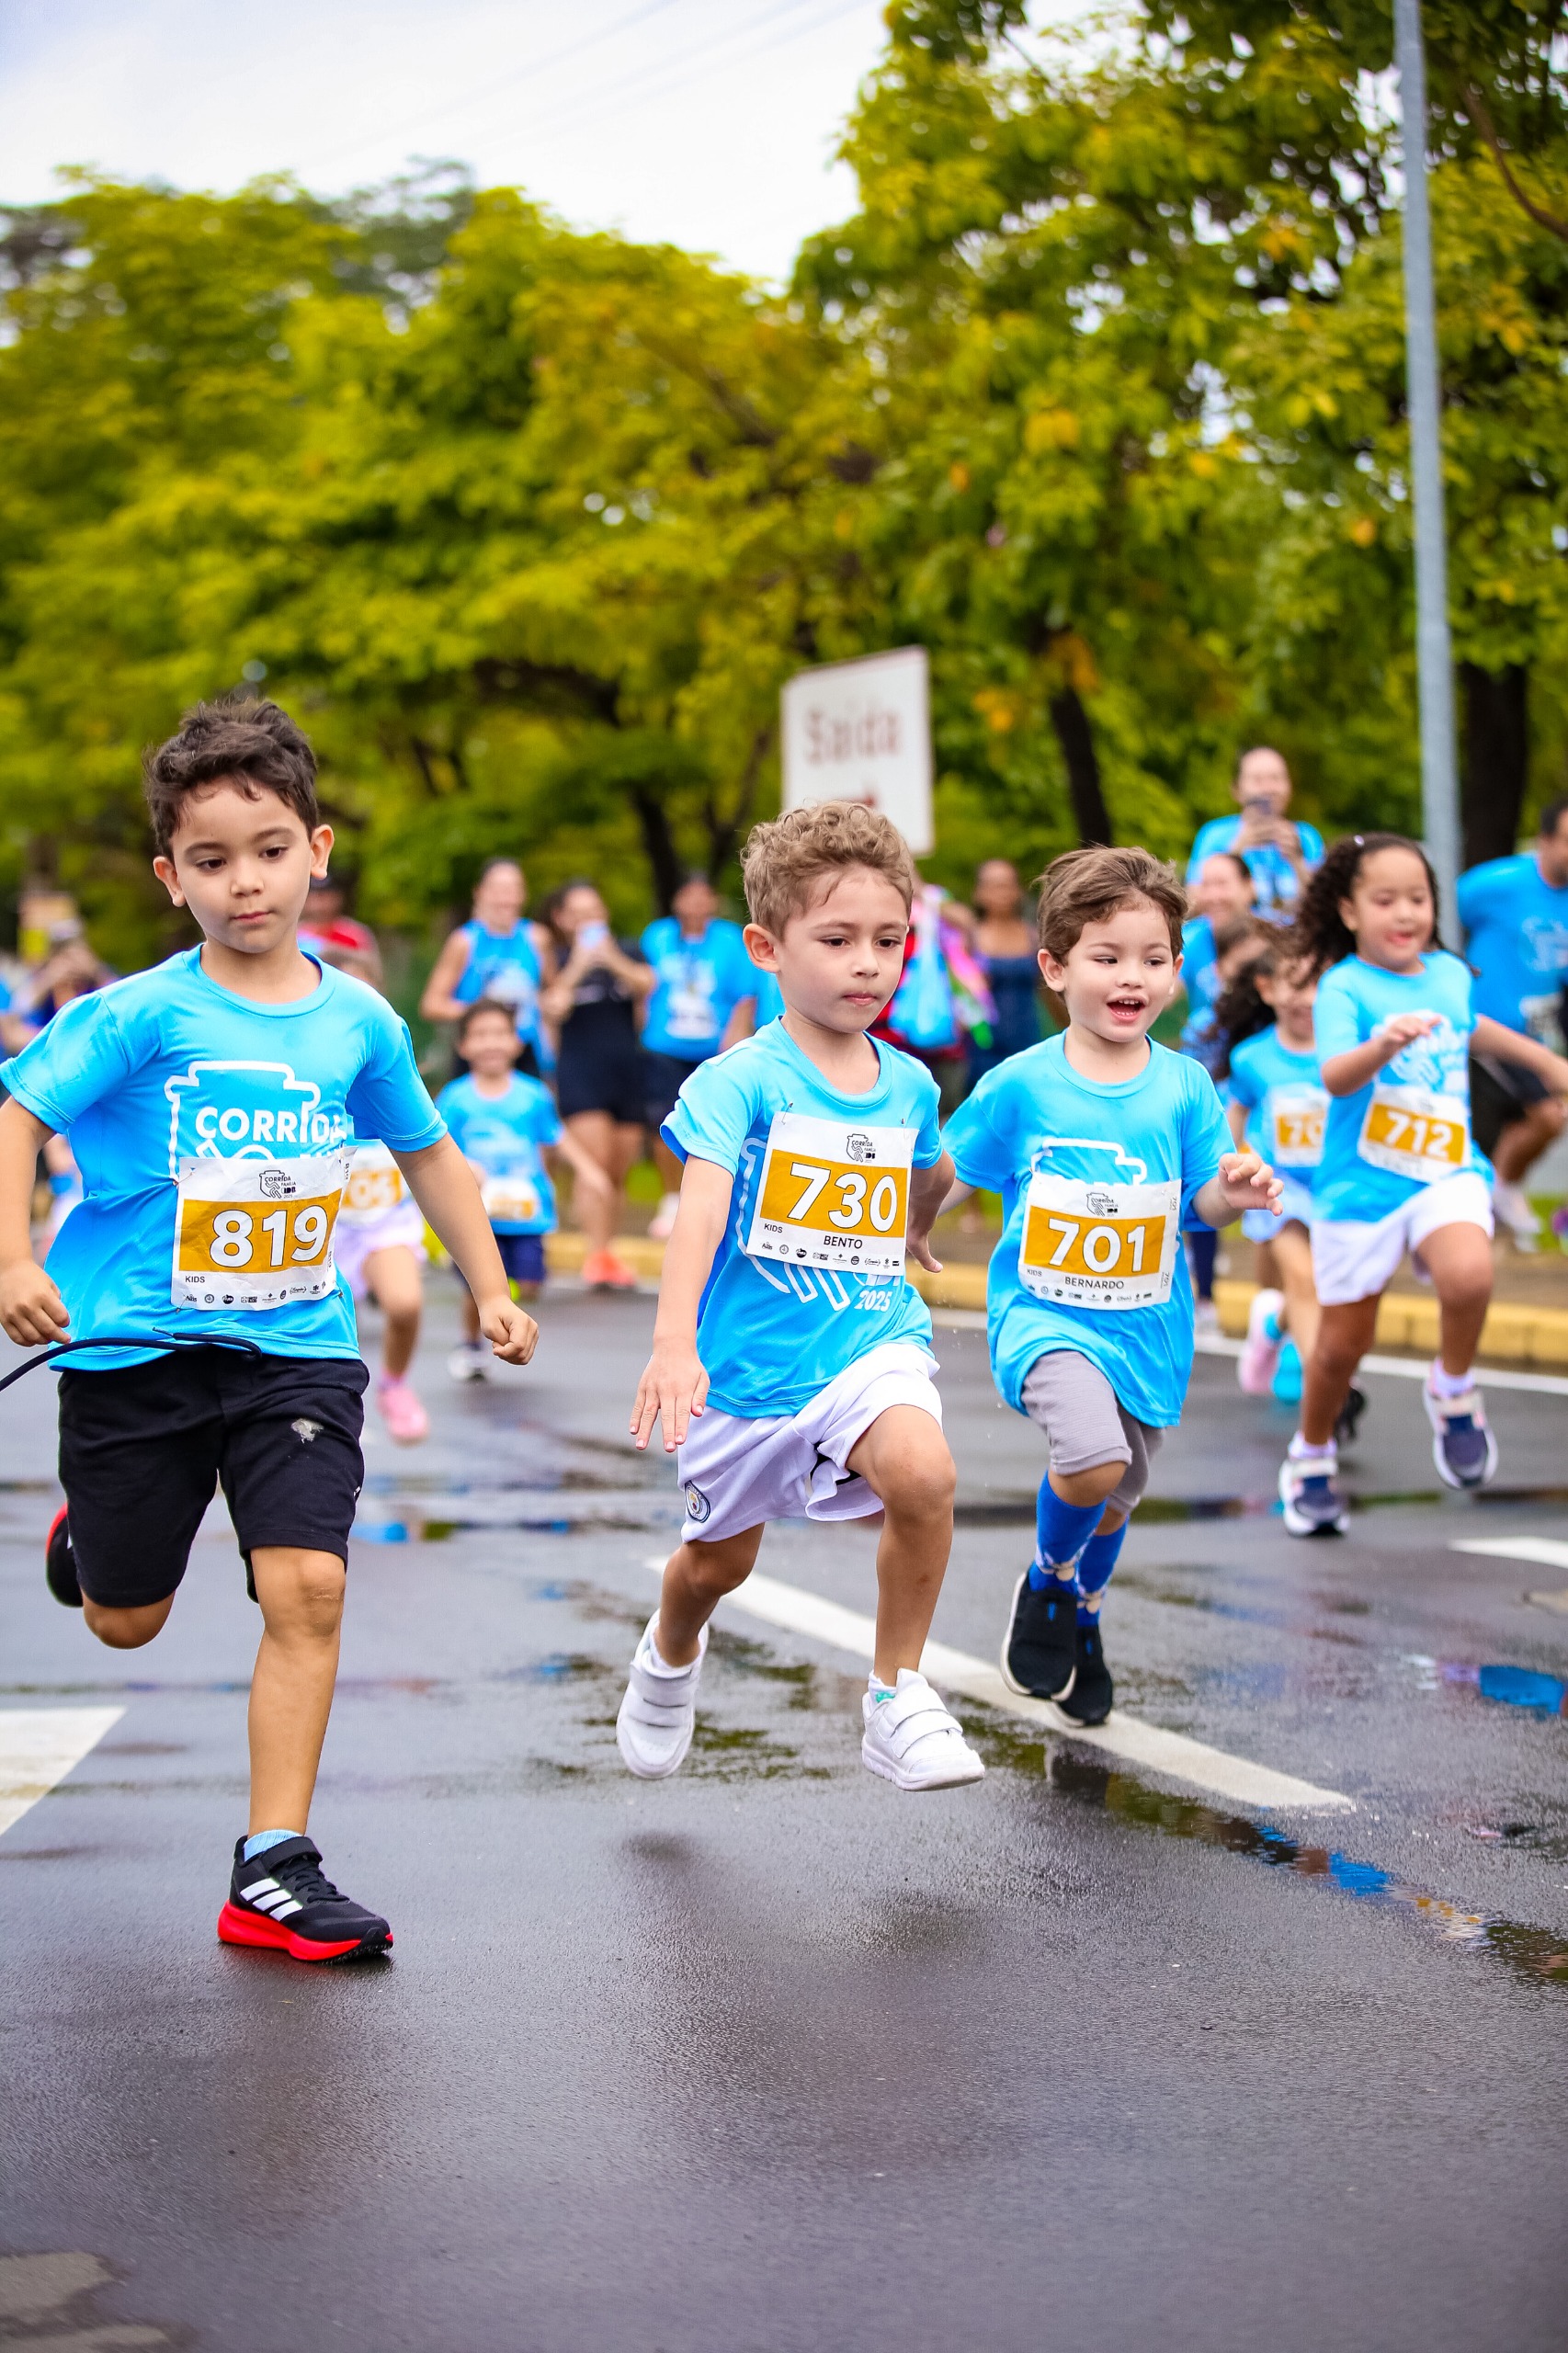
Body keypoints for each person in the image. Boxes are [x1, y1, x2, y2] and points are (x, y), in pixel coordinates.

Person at [0, 699, 539, 1962]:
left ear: (317, 848)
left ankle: (272, 1867)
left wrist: (487, 1286)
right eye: (210, 860)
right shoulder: (139, 1013)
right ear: (169, 877)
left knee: (305, 1586)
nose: (245, 882)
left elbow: (429, 1152)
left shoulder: (357, 1021)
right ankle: (98, 1529)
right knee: (125, 1618)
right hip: (136, 1351)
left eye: (268, 850)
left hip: (296, 1346)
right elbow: (17, 1114)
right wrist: (15, 1252)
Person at [619, 801, 984, 1792]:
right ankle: (669, 1650)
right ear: (766, 947)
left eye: (888, 941)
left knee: (923, 1474)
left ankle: (895, 1695)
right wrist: (671, 1341)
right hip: (745, 1374)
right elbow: (695, 1214)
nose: (867, 963)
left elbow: (931, 1166)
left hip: (867, 1340)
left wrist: (910, 1224)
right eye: (837, 940)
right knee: (714, 1566)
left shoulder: (907, 1083)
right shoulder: (739, 1080)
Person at [942, 846, 1280, 1724]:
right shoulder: (1021, 1083)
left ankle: (1083, 1613)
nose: (1132, 977)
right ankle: (1047, 1582)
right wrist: (903, 1233)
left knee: (1120, 1488)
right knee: (1091, 1459)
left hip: (1147, 1324)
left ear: (1175, 971)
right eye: (1108, 957)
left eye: (1154, 959)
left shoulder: (1184, 1085)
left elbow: (1200, 1202)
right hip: (1045, 1318)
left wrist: (1232, 1196)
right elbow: (946, 1163)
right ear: (1054, 969)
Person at [1277, 832, 1568, 1537]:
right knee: (1343, 1346)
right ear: (1349, 911)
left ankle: (1454, 1387)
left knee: (1468, 1275)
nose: (1405, 913)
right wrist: (1383, 1045)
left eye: (1419, 899)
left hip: (1445, 1170)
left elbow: (1477, 1030)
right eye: (1386, 901)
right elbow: (1333, 1073)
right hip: (1361, 1189)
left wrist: (1551, 1066)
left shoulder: (1447, 973)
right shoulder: (1345, 985)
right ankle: (1310, 1456)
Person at [437, 997, 613, 1380]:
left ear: (517, 1042)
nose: (491, 1044)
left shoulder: (533, 1094)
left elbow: (556, 1137)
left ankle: (508, 1297)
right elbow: (437, 1148)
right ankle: (470, 1343)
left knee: (531, 1284)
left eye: (500, 1034)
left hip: (527, 1212)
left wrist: (590, 1170)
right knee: (476, 1286)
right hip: (477, 1215)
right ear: (463, 1046)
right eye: (480, 1035)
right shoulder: (456, 1097)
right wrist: (462, 1168)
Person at [1217, 942, 1349, 1425]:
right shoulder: (1252, 1058)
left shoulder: (1348, 1051)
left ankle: (1273, 1328)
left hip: (1340, 1190)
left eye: (1319, 984)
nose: (1308, 998)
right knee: (1305, 1279)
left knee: (1332, 1290)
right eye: (1296, 984)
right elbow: (1233, 1124)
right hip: (1280, 1191)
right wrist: (1215, 1181)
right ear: (1268, 989)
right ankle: (1327, 1391)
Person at [1456, 796, 1568, 1251]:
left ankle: (1499, 1190)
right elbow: (1446, 918)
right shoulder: (1495, 885)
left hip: (1541, 1032)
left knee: (1550, 1117)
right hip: (1486, 1028)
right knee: (1546, 1113)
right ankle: (1495, 1195)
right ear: (1544, 841)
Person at [540, 881, 655, 1290]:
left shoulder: (625, 951)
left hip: (625, 1067)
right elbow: (552, 1004)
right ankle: (595, 1252)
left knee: (619, 1168)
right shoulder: (557, 958)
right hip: (580, 1071)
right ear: (563, 920)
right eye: (580, 913)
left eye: (596, 912)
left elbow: (647, 983)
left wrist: (609, 958)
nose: (591, 921)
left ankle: (608, 1250)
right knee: (596, 1164)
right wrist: (580, 966)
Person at [639, 873, 756, 1242]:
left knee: (715, 1122)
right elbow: (643, 985)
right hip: (664, 1043)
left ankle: (719, 1196)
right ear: (676, 901)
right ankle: (672, 1196)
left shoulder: (729, 941)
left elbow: (745, 994)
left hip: (712, 1047)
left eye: (702, 897)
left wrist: (736, 1036)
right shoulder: (657, 937)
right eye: (688, 896)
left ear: (713, 902)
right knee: (661, 1118)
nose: (695, 904)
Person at [419, 858, 554, 1075]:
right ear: (479, 893)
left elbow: (553, 992)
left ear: (523, 894)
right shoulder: (464, 941)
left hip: (523, 1051)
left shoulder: (537, 938)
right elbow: (431, 1004)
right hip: (477, 1052)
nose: (505, 898)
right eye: (497, 890)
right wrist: (488, 1013)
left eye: (513, 889)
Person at [1187, 745, 1325, 921]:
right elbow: (1191, 905)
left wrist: (1297, 861)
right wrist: (1235, 854)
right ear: (1236, 790)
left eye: (1276, 778)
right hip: (1234, 941)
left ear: (1289, 786)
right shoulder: (1214, 835)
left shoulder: (1306, 837)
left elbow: (1325, 907)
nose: (1268, 788)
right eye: (1258, 780)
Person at [965, 858, 1041, 1086]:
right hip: (984, 1047)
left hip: (1028, 1042)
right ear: (979, 893)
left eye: (1007, 885)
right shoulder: (970, 939)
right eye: (994, 885)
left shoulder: (1033, 937)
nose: (1002, 892)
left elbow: (1051, 993)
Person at [298, 873, 381, 984]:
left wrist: (332, 952)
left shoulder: (354, 933)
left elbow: (372, 969)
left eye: (324, 897)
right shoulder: (296, 934)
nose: (318, 904)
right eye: (313, 896)